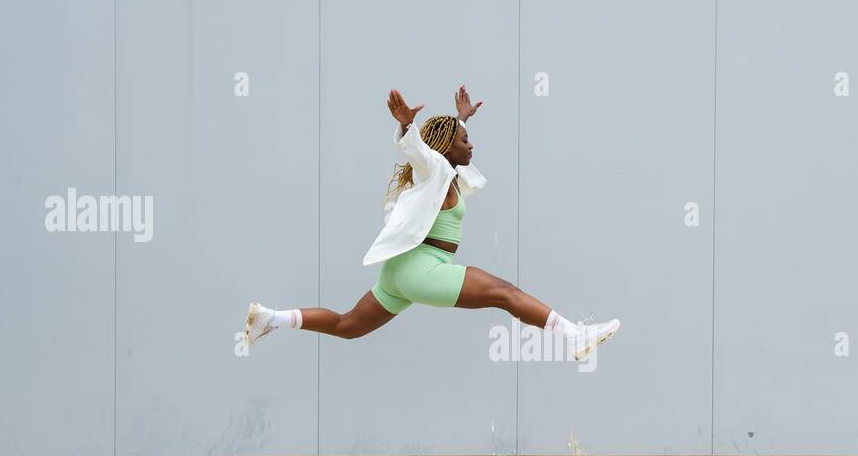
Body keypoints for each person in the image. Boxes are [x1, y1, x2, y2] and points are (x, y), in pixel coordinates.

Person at [244, 86, 620, 360]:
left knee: (348, 325)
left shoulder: (445, 172)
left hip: (399, 273)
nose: (472, 145)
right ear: (447, 149)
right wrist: (408, 129)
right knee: (503, 292)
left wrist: (460, 119)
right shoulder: (434, 168)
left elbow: (441, 145)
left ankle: (270, 318)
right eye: (465, 140)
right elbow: (425, 153)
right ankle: (573, 335)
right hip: (422, 268)